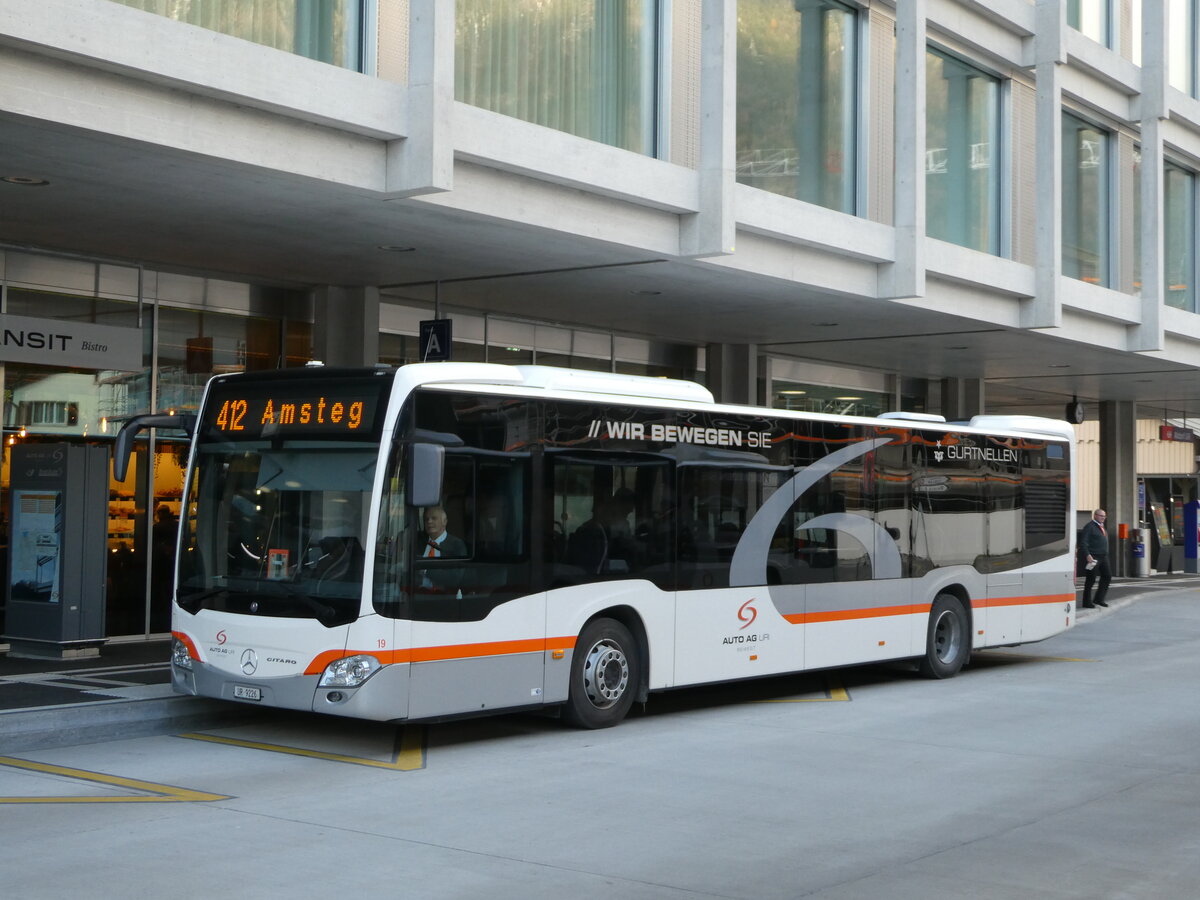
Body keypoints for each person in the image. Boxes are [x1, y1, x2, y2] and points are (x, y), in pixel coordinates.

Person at [418, 505, 467, 591]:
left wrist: (426, 570)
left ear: (444, 521)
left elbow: (455, 578)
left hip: (443, 597)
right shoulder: (419, 542)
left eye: (434, 518)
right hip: (417, 595)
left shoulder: (456, 544)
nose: (429, 521)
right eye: (426, 519)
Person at [1079, 508, 1111, 609]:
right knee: (1090, 579)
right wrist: (1087, 555)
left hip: (1103, 556)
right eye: (1101, 516)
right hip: (1093, 557)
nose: (1103, 518)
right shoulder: (1090, 527)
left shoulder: (1101, 527)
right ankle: (1086, 602)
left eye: (1104, 516)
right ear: (1095, 516)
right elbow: (1083, 542)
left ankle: (1099, 599)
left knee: (1107, 576)